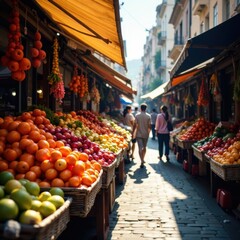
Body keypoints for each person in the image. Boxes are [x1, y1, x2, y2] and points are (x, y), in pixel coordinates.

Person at [132, 103, 151, 168]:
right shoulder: (148, 116)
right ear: (146, 108)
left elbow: (135, 125)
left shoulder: (137, 116)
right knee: (144, 147)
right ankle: (143, 159)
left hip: (138, 134)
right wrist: (149, 133)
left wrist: (133, 133)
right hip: (146, 134)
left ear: (140, 108)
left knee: (140, 147)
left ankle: (141, 160)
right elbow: (149, 126)